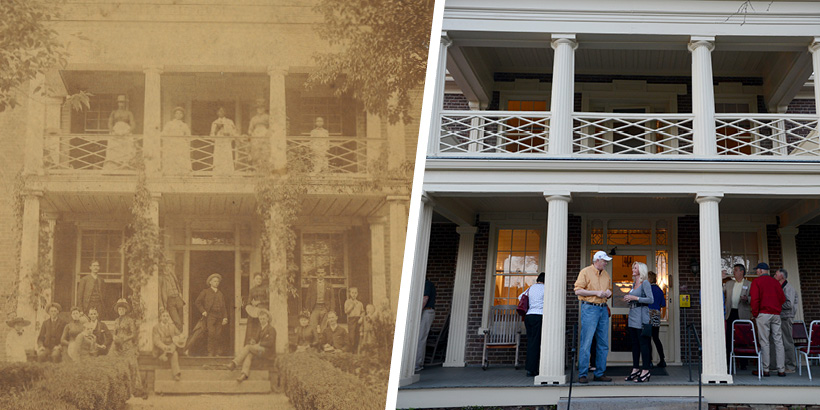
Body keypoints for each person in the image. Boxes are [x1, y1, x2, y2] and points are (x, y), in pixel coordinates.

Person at [574, 250, 613, 383]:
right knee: (587, 342)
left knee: (603, 343)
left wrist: (609, 293)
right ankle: (583, 374)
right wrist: (596, 293)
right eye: (604, 261)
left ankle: (599, 373)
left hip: (602, 309)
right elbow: (578, 290)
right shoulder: (585, 272)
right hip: (590, 308)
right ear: (597, 260)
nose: (606, 263)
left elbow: (610, 291)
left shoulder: (606, 275)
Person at [750, 262, 786, 377]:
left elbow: (754, 300)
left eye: (757, 270)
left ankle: (766, 369)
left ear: (761, 270)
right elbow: (782, 298)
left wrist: (755, 314)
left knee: (764, 342)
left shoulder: (757, 282)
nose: (756, 272)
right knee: (778, 341)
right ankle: (781, 369)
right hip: (776, 314)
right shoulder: (775, 282)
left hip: (763, 314)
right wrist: (776, 308)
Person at [109, 298, 147, 399]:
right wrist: (115, 338)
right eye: (119, 309)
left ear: (126, 310)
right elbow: (114, 332)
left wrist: (125, 339)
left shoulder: (130, 320)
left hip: (127, 345)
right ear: (117, 310)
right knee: (113, 363)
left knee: (131, 365)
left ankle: (133, 389)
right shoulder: (116, 321)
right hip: (117, 345)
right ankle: (117, 389)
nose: (121, 311)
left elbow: (133, 334)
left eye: (123, 309)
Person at [624, 262, 654, 383]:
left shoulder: (645, 283)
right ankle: (635, 369)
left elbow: (651, 299)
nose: (632, 269)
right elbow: (634, 299)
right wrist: (628, 299)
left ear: (640, 270)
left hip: (642, 319)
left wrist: (635, 298)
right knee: (635, 345)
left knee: (644, 345)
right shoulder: (634, 283)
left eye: (635, 268)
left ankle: (645, 370)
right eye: (633, 267)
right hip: (632, 318)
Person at [187, 273, 229, 357]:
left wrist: (225, 317)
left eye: (218, 281)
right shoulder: (205, 292)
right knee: (211, 333)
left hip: (219, 316)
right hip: (210, 316)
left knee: (218, 334)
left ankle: (216, 352)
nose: (216, 283)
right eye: (214, 281)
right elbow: (197, 302)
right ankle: (210, 352)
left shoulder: (220, 294)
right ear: (210, 282)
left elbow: (224, 307)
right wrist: (203, 311)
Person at [229, 308, 276, 382]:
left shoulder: (271, 329)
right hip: (260, 350)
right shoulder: (260, 328)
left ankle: (234, 363)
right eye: (260, 319)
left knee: (248, 347)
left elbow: (270, 343)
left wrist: (259, 344)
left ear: (267, 319)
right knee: (249, 354)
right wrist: (253, 341)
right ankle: (244, 374)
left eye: (263, 319)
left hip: (267, 352)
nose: (262, 320)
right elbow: (256, 339)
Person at [723, 263, 752, 368]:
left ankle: (743, 363)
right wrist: (721, 278)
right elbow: (720, 291)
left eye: (735, 270)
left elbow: (753, 298)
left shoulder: (749, 284)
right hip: (731, 313)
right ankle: (728, 362)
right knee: (729, 337)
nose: (734, 272)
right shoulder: (729, 283)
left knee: (742, 338)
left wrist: (747, 299)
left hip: (742, 313)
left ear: (741, 272)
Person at [772, 268, 799, 373]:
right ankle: (779, 365)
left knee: (787, 341)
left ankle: (790, 366)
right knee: (779, 342)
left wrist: (775, 304)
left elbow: (789, 304)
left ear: (781, 276)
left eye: (776, 274)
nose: (774, 275)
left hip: (786, 317)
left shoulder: (788, 288)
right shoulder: (780, 287)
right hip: (780, 317)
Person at [519, 272, 545, 377]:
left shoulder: (531, 288)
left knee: (531, 342)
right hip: (539, 315)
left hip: (529, 316)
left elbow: (520, 297)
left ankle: (530, 368)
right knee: (537, 343)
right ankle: (533, 369)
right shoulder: (546, 288)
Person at [106, 95, 137, 169]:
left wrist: (128, 131)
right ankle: (115, 165)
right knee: (115, 148)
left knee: (126, 147)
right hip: (116, 132)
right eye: (120, 102)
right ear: (117, 103)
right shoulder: (114, 112)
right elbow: (110, 123)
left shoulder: (128, 113)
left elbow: (133, 124)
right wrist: (112, 131)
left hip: (125, 132)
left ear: (125, 103)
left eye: (123, 102)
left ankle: (126, 164)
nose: (121, 104)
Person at [153, 309, 183, 381]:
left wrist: (181, 337)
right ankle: (165, 353)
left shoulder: (172, 326)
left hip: (171, 347)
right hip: (161, 349)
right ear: (160, 317)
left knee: (174, 352)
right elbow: (156, 341)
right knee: (174, 352)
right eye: (163, 316)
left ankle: (176, 374)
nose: (165, 318)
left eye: (167, 316)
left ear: (169, 317)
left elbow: (179, 335)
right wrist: (165, 347)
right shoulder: (156, 328)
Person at [161, 106, 192, 174]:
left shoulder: (184, 125)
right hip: (172, 144)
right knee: (172, 158)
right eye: (177, 113)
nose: (178, 115)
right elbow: (164, 133)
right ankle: (170, 172)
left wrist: (185, 141)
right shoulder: (169, 124)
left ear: (182, 115)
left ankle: (181, 172)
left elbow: (188, 135)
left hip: (181, 144)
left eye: (180, 113)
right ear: (174, 115)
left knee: (180, 158)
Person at [415, 278, 436, 372]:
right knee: (419, 338)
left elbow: (425, 298)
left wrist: (417, 312)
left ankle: (417, 364)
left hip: (426, 311)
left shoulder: (427, 284)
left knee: (420, 338)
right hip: (425, 311)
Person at [647, 271, 667, 368]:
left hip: (648, 314)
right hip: (656, 315)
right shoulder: (659, 290)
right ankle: (662, 359)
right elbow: (663, 304)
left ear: (649, 279)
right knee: (656, 338)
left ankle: (649, 361)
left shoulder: (647, 289)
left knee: (647, 339)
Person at [159, 258, 185, 332]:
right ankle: (177, 337)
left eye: (171, 267)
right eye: (168, 266)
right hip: (170, 301)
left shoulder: (173, 276)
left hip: (178, 299)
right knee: (177, 321)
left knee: (181, 321)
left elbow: (177, 285)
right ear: (164, 267)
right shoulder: (161, 278)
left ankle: (180, 338)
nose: (169, 268)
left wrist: (180, 294)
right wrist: (161, 305)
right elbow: (160, 294)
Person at [210, 107, 238, 174]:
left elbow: (234, 133)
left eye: (223, 111)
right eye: (219, 111)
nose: (221, 112)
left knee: (227, 157)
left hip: (226, 143)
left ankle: (228, 173)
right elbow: (211, 136)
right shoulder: (214, 123)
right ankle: (217, 173)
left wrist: (228, 133)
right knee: (218, 158)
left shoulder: (229, 122)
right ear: (217, 113)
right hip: (218, 143)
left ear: (225, 112)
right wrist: (216, 130)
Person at [306, 268, 335, 333]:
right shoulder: (312, 285)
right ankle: (315, 341)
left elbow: (332, 298)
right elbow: (308, 298)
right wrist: (308, 309)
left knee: (324, 327)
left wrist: (331, 310)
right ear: (316, 274)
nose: (320, 274)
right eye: (318, 273)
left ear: (324, 273)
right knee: (312, 326)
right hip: (315, 307)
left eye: (322, 273)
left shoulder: (329, 285)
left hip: (325, 308)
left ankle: (323, 342)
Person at [244, 273, 268, 346]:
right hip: (254, 312)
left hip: (262, 311)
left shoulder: (265, 289)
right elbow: (248, 301)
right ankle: (249, 346)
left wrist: (260, 302)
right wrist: (250, 305)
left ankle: (259, 346)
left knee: (260, 327)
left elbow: (269, 300)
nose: (259, 280)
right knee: (251, 328)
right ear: (254, 280)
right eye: (257, 279)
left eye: (260, 279)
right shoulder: (252, 290)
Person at [344, 287, 364, 353]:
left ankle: (355, 351)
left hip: (358, 319)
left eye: (355, 293)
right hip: (351, 320)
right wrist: (352, 305)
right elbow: (346, 311)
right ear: (350, 293)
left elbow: (363, 312)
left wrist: (361, 318)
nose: (354, 294)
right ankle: (351, 351)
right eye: (352, 293)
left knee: (357, 336)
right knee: (351, 336)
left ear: (357, 294)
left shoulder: (360, 303)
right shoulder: (347, 302)